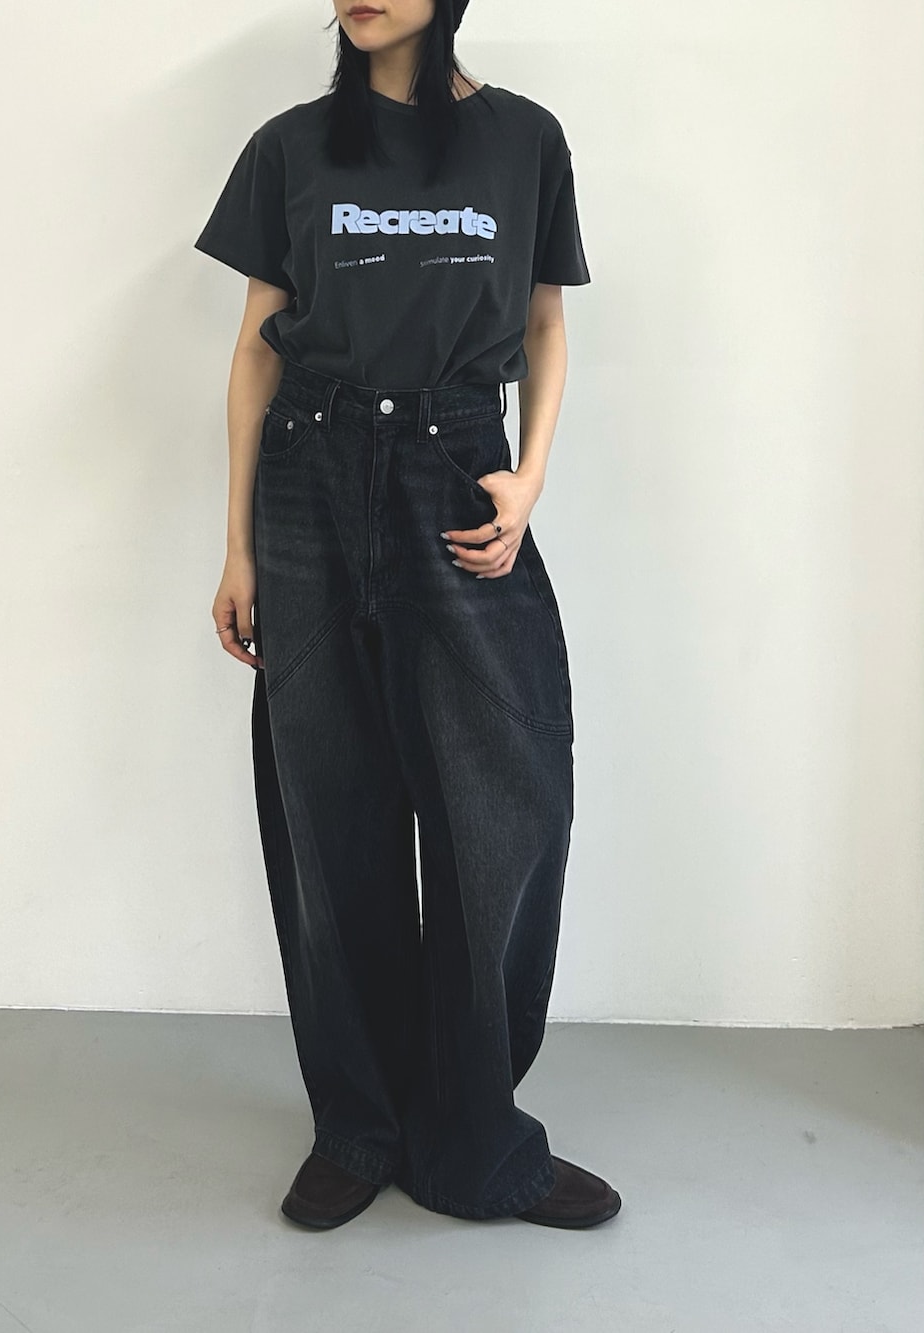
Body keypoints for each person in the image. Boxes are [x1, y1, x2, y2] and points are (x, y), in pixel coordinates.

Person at [193, 0, 622, 1231]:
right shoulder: (290, 146)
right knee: (332, 814)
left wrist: (528, 477)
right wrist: (239, 544)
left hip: (456, 473)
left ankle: (474, 1138)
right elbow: (255, 347)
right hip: (309, 480)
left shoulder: (523, 140)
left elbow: (543, 318)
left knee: (506, 801)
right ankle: (360, 1126)